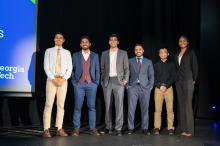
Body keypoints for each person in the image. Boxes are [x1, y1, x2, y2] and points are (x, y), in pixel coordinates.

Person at [42, 32, 72, 138]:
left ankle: (59, 128)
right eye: (56, 38)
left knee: (61, 105)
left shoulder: (67, 52)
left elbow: (70, 68)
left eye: (60, 38)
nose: (58, 39)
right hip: (51, 80)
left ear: (63, 40)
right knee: (49, 104)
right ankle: (46, 129)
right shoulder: (48, 51)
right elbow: (46, 67)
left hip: (63, 81)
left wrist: (63, 79)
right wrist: (53, 78)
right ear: (54, 40)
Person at [71, 36, 100, 136]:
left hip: (91, 84)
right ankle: (76, 129)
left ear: (89, 44)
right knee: (78, 107)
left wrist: (96, 83)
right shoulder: (75, 55)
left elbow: (97, 70)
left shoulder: (95, 55)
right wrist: (75, 83)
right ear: (80, 44)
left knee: (92, 107)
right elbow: (72, 70)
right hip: (79, 84)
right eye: (82, 42)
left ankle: (92, 128)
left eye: (86, 42)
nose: (84, 43)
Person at [100, 34, 129, 136]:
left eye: (115, 40)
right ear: (109, 42)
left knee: (119, 105)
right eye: (111, 40)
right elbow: (102, 69)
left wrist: (125, 81)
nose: (113, 41)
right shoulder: (104, 54)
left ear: (118, 42)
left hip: (119, 81)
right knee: (108, 105)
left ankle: (118, 128)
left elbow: (126, 69)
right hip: (107, 82)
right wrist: (103, 81)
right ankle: (108, 127)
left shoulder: (123, 53)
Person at [127, 44, 154, 135]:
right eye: (136, 49)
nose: (138, 50)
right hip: (133, 87)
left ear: (143, 50)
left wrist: (150, 86)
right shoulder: (130, 61)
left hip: (145, 88)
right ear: (134, 51)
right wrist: (127, 85)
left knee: (145, 109)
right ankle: (130, 128)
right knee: (131, 109)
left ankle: (145, 128)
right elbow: (126, 73)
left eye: (140, 49)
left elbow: (151, 75)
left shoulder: (148, 62)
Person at [175, 35, 198, 137]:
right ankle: (183, 130)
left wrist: (194, 80)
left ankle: (190, 131)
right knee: (181, 105)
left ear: (187, 42)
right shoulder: (176, 54)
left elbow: (195, 67)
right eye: (180, 41)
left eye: (184, 40)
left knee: (188, 104)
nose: (182, 42)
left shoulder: (191, 53)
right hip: (178, 82)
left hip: (188, 80)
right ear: (179, 43)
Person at [153, 47, 176, 135]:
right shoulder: (155, 65)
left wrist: (166, 85)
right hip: (158, 89)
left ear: (168, 54)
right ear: (159, 54)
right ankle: (157, 128)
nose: (163, 54)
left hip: (168, 88)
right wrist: (160, 86)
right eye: (161, 52)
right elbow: (153, 77)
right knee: (158, 110)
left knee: (170, 109)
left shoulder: (172, 64)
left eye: (165, 52)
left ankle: (170, 128)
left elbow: (174, 76)